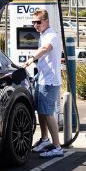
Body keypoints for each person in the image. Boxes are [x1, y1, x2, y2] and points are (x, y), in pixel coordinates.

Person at [23, 9, 63, 158]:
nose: (35, 25)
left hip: (50, 81)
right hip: (42, 78)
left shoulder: (51, 35)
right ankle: (45, 139)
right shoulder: (43, 35)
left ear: (46, 21)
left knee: (47, 113)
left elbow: (46, 48)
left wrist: (31, 59)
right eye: (33, 22)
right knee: (40, 111)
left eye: (38, 22)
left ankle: (57, 147)